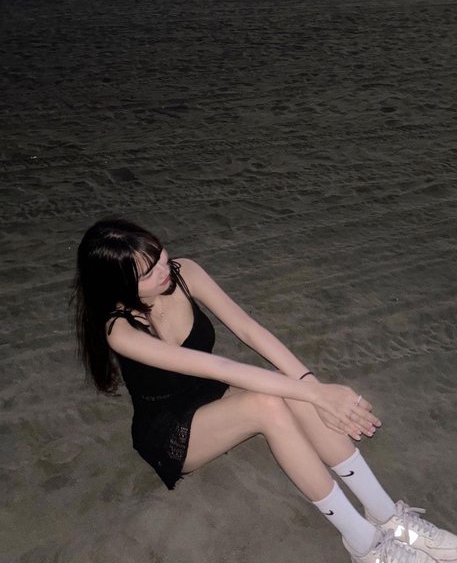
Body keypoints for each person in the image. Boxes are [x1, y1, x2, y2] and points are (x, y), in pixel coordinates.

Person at [73, 217, 456, 563]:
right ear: (120, 286)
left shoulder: (183, 272)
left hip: (213, 393)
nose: (163, 270)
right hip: (171, 429)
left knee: (293, 390)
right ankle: (364, 544)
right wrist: (318, 395)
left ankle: (387, 516)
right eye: (148, 272)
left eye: (159, 255)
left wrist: (313, 386)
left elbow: (249, 329)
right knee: (268, 404)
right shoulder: (121, 331)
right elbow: (220, 367)